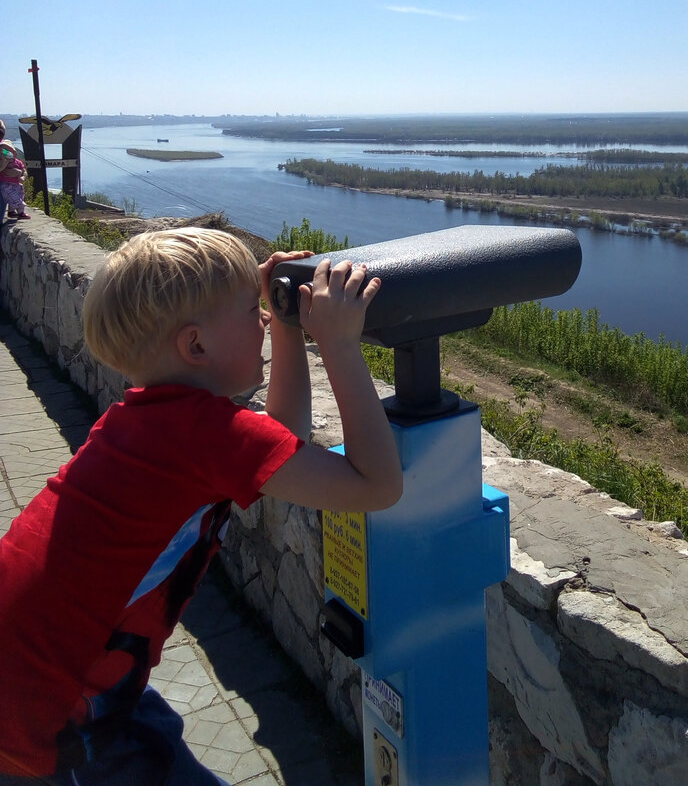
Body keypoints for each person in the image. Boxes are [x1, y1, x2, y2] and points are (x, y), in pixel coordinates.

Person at [0, 227, 403, 783]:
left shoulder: (153, 421)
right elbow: (376, 486)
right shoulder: (202, 436)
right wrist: (338, 342)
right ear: (195, 347)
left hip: (51, 676)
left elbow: (279, 441)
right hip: (50, 720)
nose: (262, 319)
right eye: (250, 311)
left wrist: (288, 327)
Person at [0, 139, 29, 220]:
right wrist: (4, 162)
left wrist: (22, 176)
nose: (7, 153)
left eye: (9, 151)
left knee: (20, 193)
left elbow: (23, 170)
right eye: (4, 151)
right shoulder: (2, 161)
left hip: (16, 184)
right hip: (6, 184)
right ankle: (21, 211)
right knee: (15, 198)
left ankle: (11, 211)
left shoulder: (18, 162)